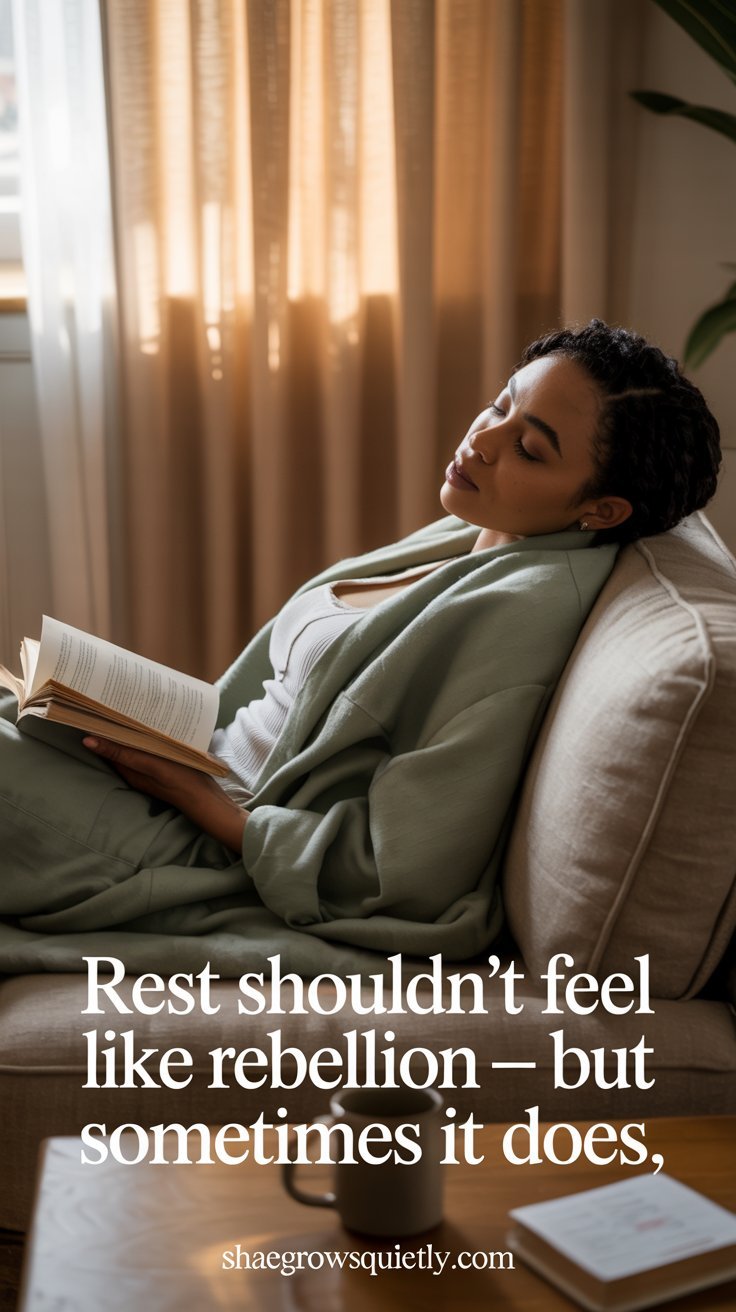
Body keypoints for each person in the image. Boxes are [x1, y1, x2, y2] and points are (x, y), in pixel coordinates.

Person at [0, 320, 722, 973]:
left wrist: (200, 801)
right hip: (178, 779)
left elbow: (409, 867)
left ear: (601, 509)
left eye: (529, 449)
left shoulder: (518, 620)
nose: (484, 441)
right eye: (501, 405)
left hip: (198, 845)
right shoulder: (471, 538)